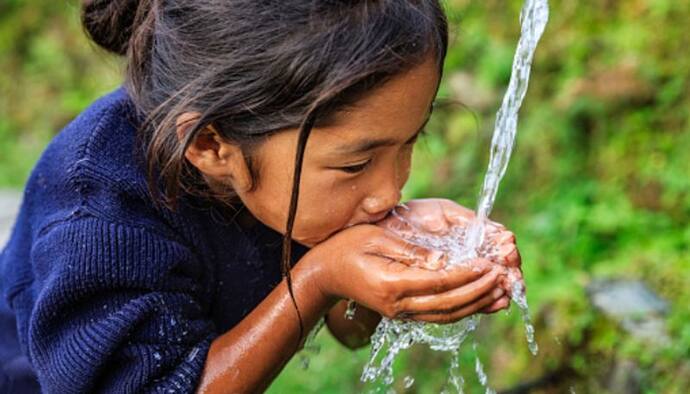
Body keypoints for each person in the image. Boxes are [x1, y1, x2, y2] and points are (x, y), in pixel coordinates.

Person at [0, 1, 522, 393]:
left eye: (412, 142)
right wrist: (319, 277)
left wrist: (389, 258)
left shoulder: (280, 159)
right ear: (209, 144)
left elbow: (351, 332)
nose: (390, 190)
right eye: (356, 164)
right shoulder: (99, 216)